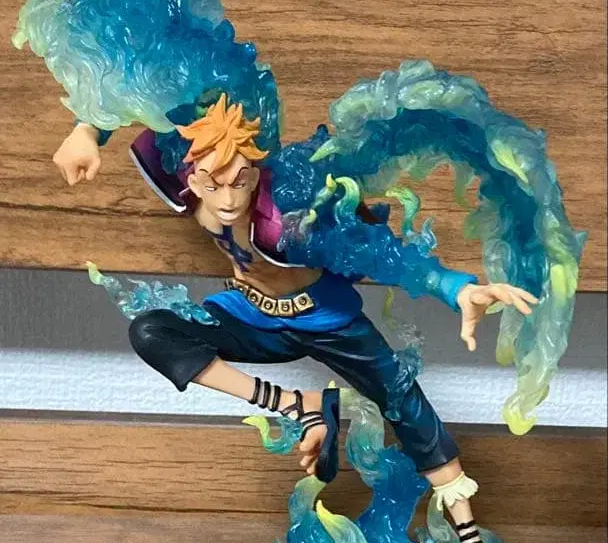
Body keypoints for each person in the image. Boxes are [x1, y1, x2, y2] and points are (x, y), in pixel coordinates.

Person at [53, 92, 538, 543]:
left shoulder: (291, 217)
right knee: (152, 331)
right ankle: (299, 405)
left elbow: (383, 253)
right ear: (191, 178)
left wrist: (456, 288)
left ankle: (467, 532)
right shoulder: (183, 178)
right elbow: (147, 90)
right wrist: (87, 131)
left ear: (255, 172)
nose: (227, 198)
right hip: (251, 315)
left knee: (404, 403)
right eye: (211, 184)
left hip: (329, 322)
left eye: (239, 181)